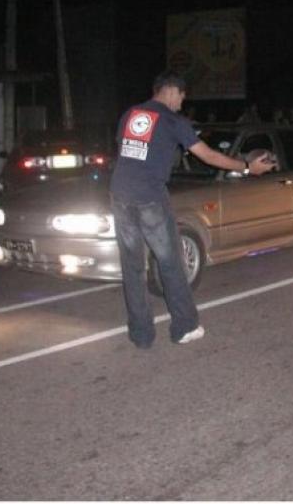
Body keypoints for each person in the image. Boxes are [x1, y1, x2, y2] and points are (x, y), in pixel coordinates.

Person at [110, 71, 275, 348]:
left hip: (120, 194)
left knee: (133, 266)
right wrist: (247, 167)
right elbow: (208, 155)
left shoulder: (130, 114)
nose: (182, 104)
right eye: (182, 98)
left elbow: (125, 150)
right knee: (170, 262)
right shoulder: (173, 120)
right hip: (150, 195)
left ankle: (141, 334)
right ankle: (184, 326)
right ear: (173, 91)